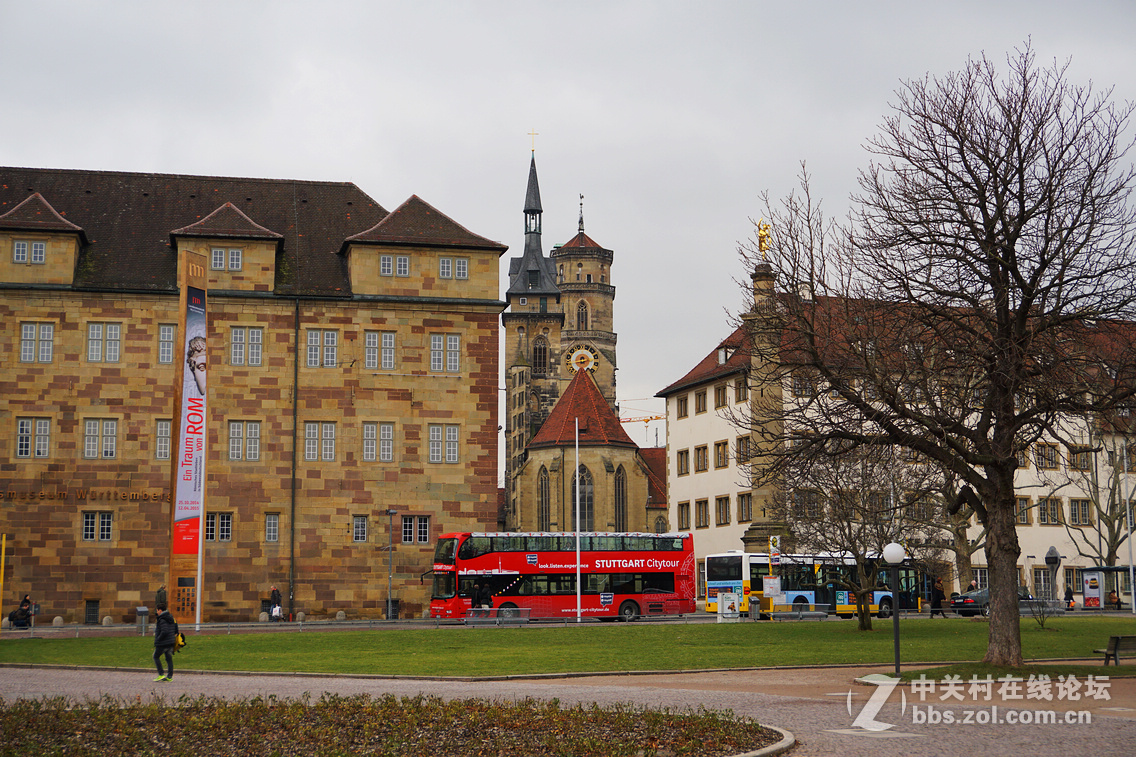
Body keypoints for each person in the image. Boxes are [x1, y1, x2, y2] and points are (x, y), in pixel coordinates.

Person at [152, 603, 179, 682]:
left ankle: (161, 674)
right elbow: (176, 630)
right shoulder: (171, 617)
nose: (157, 612)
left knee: (156, 656)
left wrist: (158, 639)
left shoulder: (162, 619)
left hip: (163, 642)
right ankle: (170, 676)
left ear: (160, 610)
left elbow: (164, 631)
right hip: (171, 641)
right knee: (169, 659)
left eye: (157, 611)